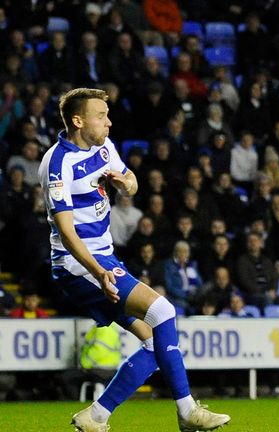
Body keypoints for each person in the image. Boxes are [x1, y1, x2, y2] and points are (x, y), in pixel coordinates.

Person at [37, 88, 229, 432]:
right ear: (78, 121)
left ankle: (96, 416)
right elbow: (67, 231)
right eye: (101, 116)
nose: (109, 122)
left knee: (157, 342)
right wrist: (99, 273)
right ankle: (187, 413)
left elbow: (133, 183)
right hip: (76, 263)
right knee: (164, 311)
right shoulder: (56, 163)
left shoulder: (105, 146)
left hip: (103, 257)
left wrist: (126, 185)